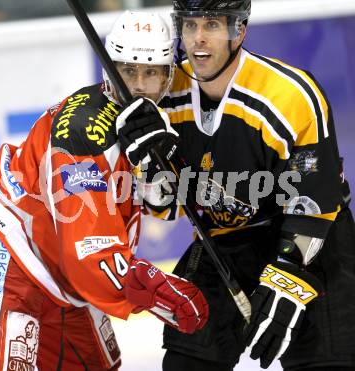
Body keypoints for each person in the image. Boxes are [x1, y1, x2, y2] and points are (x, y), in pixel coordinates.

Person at [0, 11, 208, 371]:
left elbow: (161, 204)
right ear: (109, 68)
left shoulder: (154, 121)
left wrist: (156, 168)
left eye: (150, 73)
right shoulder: (82, 133)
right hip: (6, 247)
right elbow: (88, 246)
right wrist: (156, 292)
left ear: (168, 76)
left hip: (61, 272)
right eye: (128, 70)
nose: (137, 84)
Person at [116, 1, 355, 370]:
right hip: (223, 242)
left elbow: (314, 203)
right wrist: (150, 169)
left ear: (238, 31)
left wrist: (288, 278)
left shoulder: (289, 95)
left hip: (309, 241)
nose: (199, 39)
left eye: (212, 24)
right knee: (186, 364)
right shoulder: (163, 92)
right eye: (190, 25)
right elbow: (165, 208)